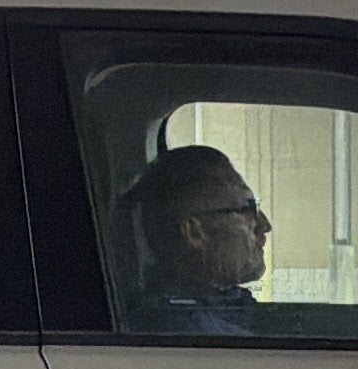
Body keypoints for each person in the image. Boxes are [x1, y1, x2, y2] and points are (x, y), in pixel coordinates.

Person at [116, 143, 271, 334]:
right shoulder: (200, 336)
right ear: (195, 233)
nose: (265, 226)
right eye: (246, 209)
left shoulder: (226, 309)